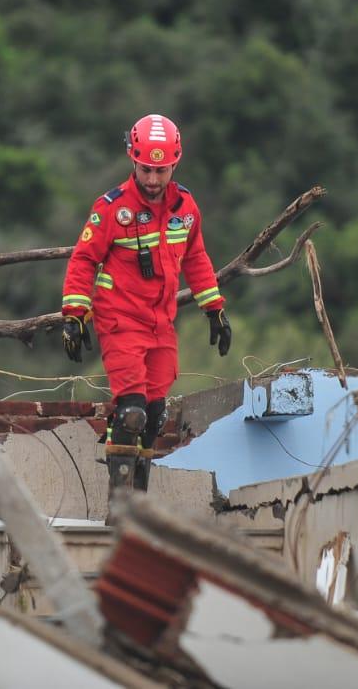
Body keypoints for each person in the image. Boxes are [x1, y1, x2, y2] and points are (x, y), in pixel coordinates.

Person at [60, 114, 232, 497]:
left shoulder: (185, 208)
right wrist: (74, 316)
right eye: (145, 169)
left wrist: (214, 309)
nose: (153, 180)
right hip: (119, 319)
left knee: (154, 417)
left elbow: (197, 258)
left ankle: (137, 502)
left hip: (161, 324)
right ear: (131, 159)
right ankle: (120, 507)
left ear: (175, 163)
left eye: (161, 170)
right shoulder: (112, 208)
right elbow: (83, 259)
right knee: (132, 411)